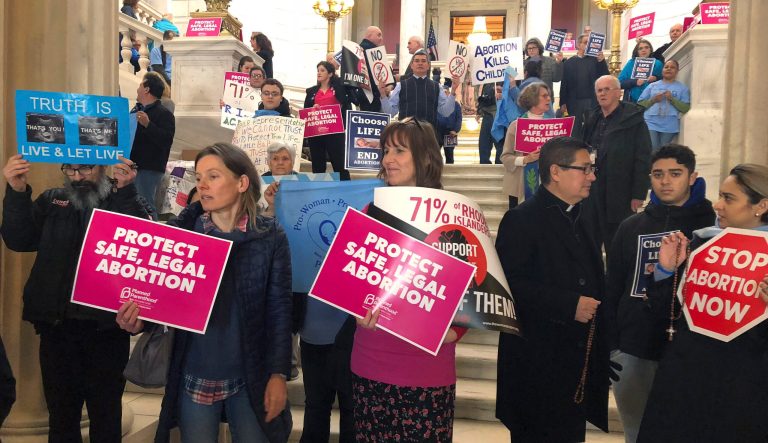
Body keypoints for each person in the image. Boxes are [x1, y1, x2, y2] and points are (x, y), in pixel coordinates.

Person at [117, 142, 292, 442]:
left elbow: (280, 310)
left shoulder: (270, 236)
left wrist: (278, 374)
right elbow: (161, 298)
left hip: (251, 375)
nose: (203, 185)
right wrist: (138, 321)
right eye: (199, 178)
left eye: (213, 176)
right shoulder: (180, 237)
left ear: (242, 182)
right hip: (194, 373)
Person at [2, 154, 149, 442]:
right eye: (70, 168)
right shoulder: (52, 201)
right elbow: (18, 240)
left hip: (106, 329)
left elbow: (140, 240)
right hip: (57, 327)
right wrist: (17, 192)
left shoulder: (122, 197)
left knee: (105, 415)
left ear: (103, 166)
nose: (77, 176)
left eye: (85, 168)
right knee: (61, 415)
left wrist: (127, 191)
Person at [352, 117, 466, 442]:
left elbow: (475, 290)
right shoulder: (369, 210)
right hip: (371, 362)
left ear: (425, 157)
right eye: (386, 150)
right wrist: (355, 309)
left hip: (428, 370)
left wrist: (457, 330)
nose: (388, 159)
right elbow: (355, 282)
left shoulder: (453, 217)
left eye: (399, 151)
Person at [636, 163, 768, 443]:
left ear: (761, 205)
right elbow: (666, 316)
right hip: (684, 384)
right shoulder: (702, 243)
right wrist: (666, 272)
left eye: (729, 199)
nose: (718, 205)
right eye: (720, 195)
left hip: (744, 395)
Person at [495, 136, 611, 442]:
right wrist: (568, 304)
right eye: (584, 169)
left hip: (574, 366)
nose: (592, 176)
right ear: (556, 172)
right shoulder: (520, 219)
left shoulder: (584, 213)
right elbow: (508, 286)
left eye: (592, 168)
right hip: (535, 368)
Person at [605, 144, 714, 443]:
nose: (665, 181)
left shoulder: (709, 229)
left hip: (688, 352)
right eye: (658, 174)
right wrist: (613, 346)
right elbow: (612, 288)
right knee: (637, 433)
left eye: (675, 174)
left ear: (692, 177)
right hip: (634, 348)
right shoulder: (630, 227)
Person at [582, 75, 651, 250]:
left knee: (617, 244)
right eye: (599, 90)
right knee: (590, 242)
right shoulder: (592, 118)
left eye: (607, 89)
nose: (602, 94)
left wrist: (639, 193)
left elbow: (642, 158)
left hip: (620, 191)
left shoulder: (633, 119)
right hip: (592, 189)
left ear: (619, 93)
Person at [379, 50, 460, 134]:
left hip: (429, 135)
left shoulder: (437, 86)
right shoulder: (401, 86)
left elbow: (446, 112)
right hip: (406, 135)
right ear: (412, 65)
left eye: (423, 61)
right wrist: (382, 94)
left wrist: (453, 90)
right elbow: (390, 112)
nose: (420, 63)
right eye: (417, 61)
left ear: (428, 66)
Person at [130, 71, 176, 213]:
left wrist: (148, 125)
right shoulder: (135, 110)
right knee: (133, 204)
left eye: (140, 85)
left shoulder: (164, 114)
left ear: (147, 89)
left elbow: (166, 140)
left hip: (149, 167)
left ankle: (151, 231)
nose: (137, 89)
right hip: (133, 165)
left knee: (145, 203)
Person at [304, 60, 357, 181]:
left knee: (339, 163)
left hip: (335, 130)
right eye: (317, 70)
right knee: (317, 163)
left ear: (330, 74)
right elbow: (305, 111)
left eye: (322, 70)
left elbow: (350, 101)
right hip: (316, 131)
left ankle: (345, 188)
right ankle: (318, 189)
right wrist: (312, 109)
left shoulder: (340, 89)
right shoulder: (311, 91)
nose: (319, 73)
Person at [500, 82, 550, 209]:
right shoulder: (516, 126)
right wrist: (526, 159)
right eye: (544, 96)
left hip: (546, 184)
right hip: (519, 184)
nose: (549, 98)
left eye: (548, 95)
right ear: (533, 99)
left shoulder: (552, 125)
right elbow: (505, 157)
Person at [560, 33, 609, 137]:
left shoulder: (596, 60)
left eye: (590, 43)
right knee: (575, 129)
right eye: (586, 43)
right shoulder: (569, 62)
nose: (588, 45)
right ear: (578, 44)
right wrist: (562, 102)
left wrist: (602, 61)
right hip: (574, 101)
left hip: (592, 100)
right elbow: (564, 83)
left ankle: (591, 149)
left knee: (592, 127)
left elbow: (605, 77)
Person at [638, 60, 691, 152]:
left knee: (663, 151)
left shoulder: (682, 88)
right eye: (666, 67)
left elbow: (685, 108)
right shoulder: (652, 86)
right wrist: (653, 100)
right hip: (651, 122)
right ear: (662, 70)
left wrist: (672, 99)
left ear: (677, 71)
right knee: (653, 148)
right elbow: (639, 104)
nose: (669, 69)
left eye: (672, 67)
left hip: (669, 124)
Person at [618, 39, 663, 104]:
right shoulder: (631, 63)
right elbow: (619, 83)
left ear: (650, 50)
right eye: (640, 48)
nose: (643, 50)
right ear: (637, 51)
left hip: (651, 102)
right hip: (632, 103)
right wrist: (635, 82)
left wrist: (656, 78)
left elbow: (665, 82)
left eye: (646, 47)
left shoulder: (658, 64)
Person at [358, 26, 385, 112]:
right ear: (369, 35)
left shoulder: (356, 49)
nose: (381, 38)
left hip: (360, 95)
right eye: (379, 35)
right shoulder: (375, 52)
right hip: (373, 95)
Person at [476, 82, 504, 164]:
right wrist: (479, 111)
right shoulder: (487, 82)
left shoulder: (504, 78)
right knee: (484, 144)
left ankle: (499, 166)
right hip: (487, 115)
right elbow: (483, 98)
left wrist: (503, 94)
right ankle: (484, 165)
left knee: (499, 143)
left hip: (498, 115)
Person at [436, 82, 462, 164]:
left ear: (448, 92)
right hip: (438, 132)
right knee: (435, 154)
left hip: (451, 133)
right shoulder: (435, 104)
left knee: (450, 154)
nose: (444, 94)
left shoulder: (456, 105)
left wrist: (455, 130)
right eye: (442, 93)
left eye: (446, 92)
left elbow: (459, 119)